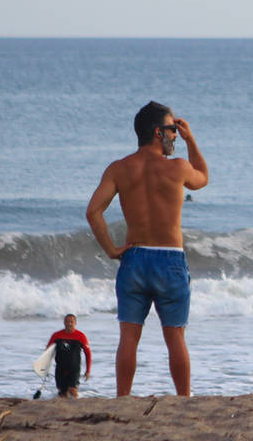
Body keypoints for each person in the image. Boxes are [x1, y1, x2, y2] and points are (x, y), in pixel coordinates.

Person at [86, 101, 209, 397]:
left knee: (128, 337)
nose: (176, 136)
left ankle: (123, 399)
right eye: (172, 129)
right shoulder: (178, 168)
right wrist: (192, 138)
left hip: (135, 258)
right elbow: (202, 178)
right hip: (170, 260)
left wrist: (112, 250)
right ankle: (183, 400)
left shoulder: (119, 169)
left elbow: (93, 212)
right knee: (175, 337)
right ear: (158, 132)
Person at [45, 313, 91, 398]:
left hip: (74, 368)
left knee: (73, 390)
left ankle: (77, 407)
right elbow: (47, 352)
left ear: (75, 323)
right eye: (67, 321)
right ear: (64, 323)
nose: (69, 324)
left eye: (71, 322)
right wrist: (45, 368)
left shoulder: (81, 336)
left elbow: (88, 353)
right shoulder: (56, 335)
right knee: (62, 394)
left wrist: (88, 370)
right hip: (60, 368)